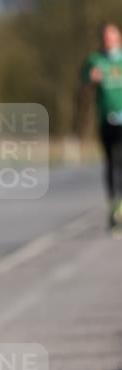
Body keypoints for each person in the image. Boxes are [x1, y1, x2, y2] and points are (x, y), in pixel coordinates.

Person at [78, 22, 122, 231]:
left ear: (118, 37)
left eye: (111, 35)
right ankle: (114, 207)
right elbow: (83, 89)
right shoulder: (94, 61)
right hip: (106, 119)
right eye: (105, 36)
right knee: (111, 163)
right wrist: (91, 80)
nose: (108, 39)